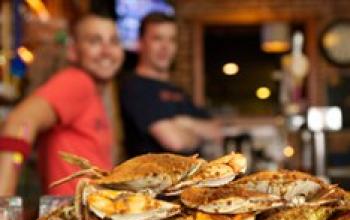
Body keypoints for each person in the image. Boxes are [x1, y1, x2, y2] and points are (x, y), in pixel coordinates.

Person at [0, 12, 124, 196]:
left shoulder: (97, 94)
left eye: (113, 41)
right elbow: (19, 123)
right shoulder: (77, 82)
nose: (107, 51)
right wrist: (3, 204)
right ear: (73, 50)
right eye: (94, 41)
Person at [120, 12, 222, 157]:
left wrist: (186, 123)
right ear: (140, 43)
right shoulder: (135, 87)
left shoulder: (177, 90)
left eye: (172, 40)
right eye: (157, 39)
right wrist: (199, 134)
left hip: (191, 176)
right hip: (155, 177)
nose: (165, 47)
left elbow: (215, 130)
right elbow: (175, 142)